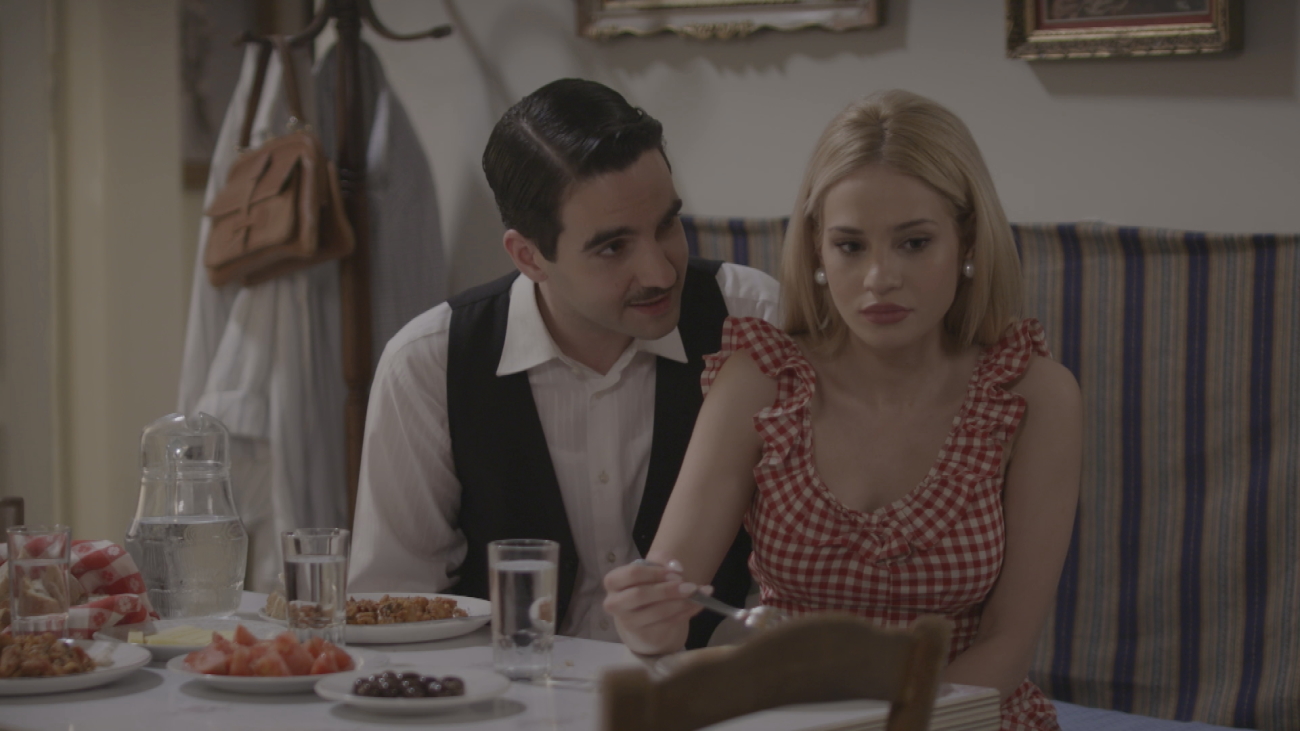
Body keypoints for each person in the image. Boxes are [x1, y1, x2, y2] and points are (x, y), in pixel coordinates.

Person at [602, 90, 1082, 731]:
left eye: (914, 242)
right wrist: (644, 621)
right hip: (789, 717)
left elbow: (1008, 643)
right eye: (851, 246)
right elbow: (667, 600)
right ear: (817, 251)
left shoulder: (1033, 395)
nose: (880, 277)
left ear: (967, 240)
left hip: (959, 720)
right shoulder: (760, 381)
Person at [348, 78, 781, 648]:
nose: (659, 271)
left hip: (707, 685)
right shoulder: (428, 363)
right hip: (502, 689)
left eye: (666, 225)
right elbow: (398, 607)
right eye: (613, 247)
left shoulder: (755, 320)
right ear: (529, 256)